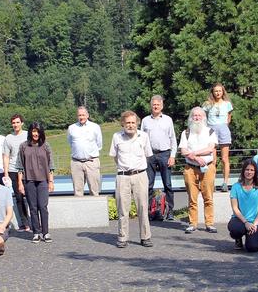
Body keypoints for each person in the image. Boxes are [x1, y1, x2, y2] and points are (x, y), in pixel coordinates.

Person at [109, 111, 153, 248]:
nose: (130, 125)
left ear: (137, 123)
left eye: (133, 122)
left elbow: (147, 155)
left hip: (140, 175)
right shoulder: (116, 137)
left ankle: (145, 237)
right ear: (123, 123)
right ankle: (123, 237)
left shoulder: (144, 136)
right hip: (123, 176)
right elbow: (115, 156)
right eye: (128, 122)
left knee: (143, 207)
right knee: (122, 208)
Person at [179, 106, 218, 234]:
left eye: (199, 115)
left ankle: (209, 223)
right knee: (192, 197)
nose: (197, 118)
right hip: (190, 168)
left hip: (208, 167)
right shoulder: (186, 133)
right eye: (194, 115)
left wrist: (194, 153)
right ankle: (192, 223)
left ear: (204, 117)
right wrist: (196, 158)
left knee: (208, 196)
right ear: (191, 117)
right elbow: (183, 151)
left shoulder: (210, 131)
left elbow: (210, 148)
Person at [17, 122, 55, 243]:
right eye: (33, 131)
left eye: (37, 131)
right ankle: (36, 232)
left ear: (41, 132)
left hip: (43, 181)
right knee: (33, 208)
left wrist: (51, 181)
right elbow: (19, 167)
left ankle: (46, 232)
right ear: (30, 132)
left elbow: (51, 166)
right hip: (29, 181)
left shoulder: (46, 146)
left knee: (43, 206)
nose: (35, 134)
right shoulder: (23, 146)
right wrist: (20, 183)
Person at [140, 95, 177, 221]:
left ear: (162, 106)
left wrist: (172, 155)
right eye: (154, 104)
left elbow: (173, 139)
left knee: (168, 184)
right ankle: (149, 211)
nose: (156, 106)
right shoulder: (145, 120)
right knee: (148, 185)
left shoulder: (168, 120)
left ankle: (170, 210)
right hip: (149, 155)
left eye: (158, 104)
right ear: (151, 105)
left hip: (164, 154)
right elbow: (141, 139)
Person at [228, 159, 258, 252]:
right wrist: (246, 223)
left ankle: (251, 237)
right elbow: (235, 208)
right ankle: (238, 239)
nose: (249, 172)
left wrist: (254, 224)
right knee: (235, 229)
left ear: (255, 172)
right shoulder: (236, 187)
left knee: (252, 248)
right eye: (247, 169)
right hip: (240, 220)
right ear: (243, 171)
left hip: (256, 221)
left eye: (252, 170)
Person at [3, 114, 32, 231]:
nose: (15, 125)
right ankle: (24, 223)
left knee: (30, 197)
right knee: (19, 198)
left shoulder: (27, 135)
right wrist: (5, 173)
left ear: (22, 123)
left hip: (28, 170)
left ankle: (34, 221)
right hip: (13, 170)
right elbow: (6, 156)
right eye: (13, 123)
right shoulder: (8, 138)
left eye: (17, 122)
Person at [203, 83, 233, 192]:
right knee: (213, 159)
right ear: (213, 92)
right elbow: (203, 116)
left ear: (223, 92)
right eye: (216, 91)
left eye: (220, 91)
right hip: (211, 130)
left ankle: (225, 183)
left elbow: (229, 117)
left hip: (223, 130)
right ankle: (212, 183)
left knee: (225, 159)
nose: (218, 93)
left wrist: (224, 125)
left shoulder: (227, 104)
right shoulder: (207, 104)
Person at [67, 106, 102, 196]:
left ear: (87, 115)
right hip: (76, 163)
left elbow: (99, 144)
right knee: (78, 192)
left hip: (91, 162)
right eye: (79, 115)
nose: (81, 117)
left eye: (83, 115)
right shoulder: (71, 128)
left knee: (95, 191)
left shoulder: (95, 127)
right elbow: (71, 143)